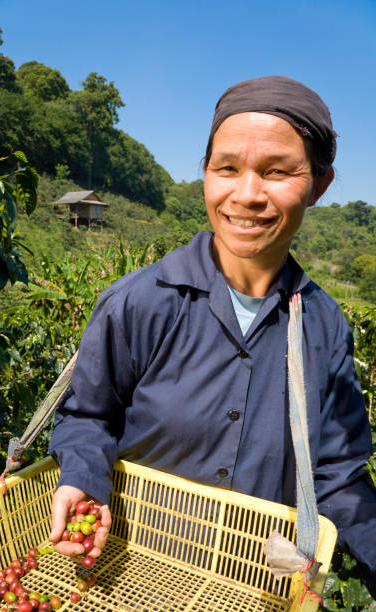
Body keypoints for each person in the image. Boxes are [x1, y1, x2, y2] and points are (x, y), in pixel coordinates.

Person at [48, 75, 376, 597]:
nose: (247, 195)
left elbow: (338, 471)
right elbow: (88, 416)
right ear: (205, 174)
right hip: (123, 578)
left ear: (319, 183)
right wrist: (84, 478)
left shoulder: (323, 326)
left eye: (278, 171)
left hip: (251, 587)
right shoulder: (140, 302)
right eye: (227, 168)